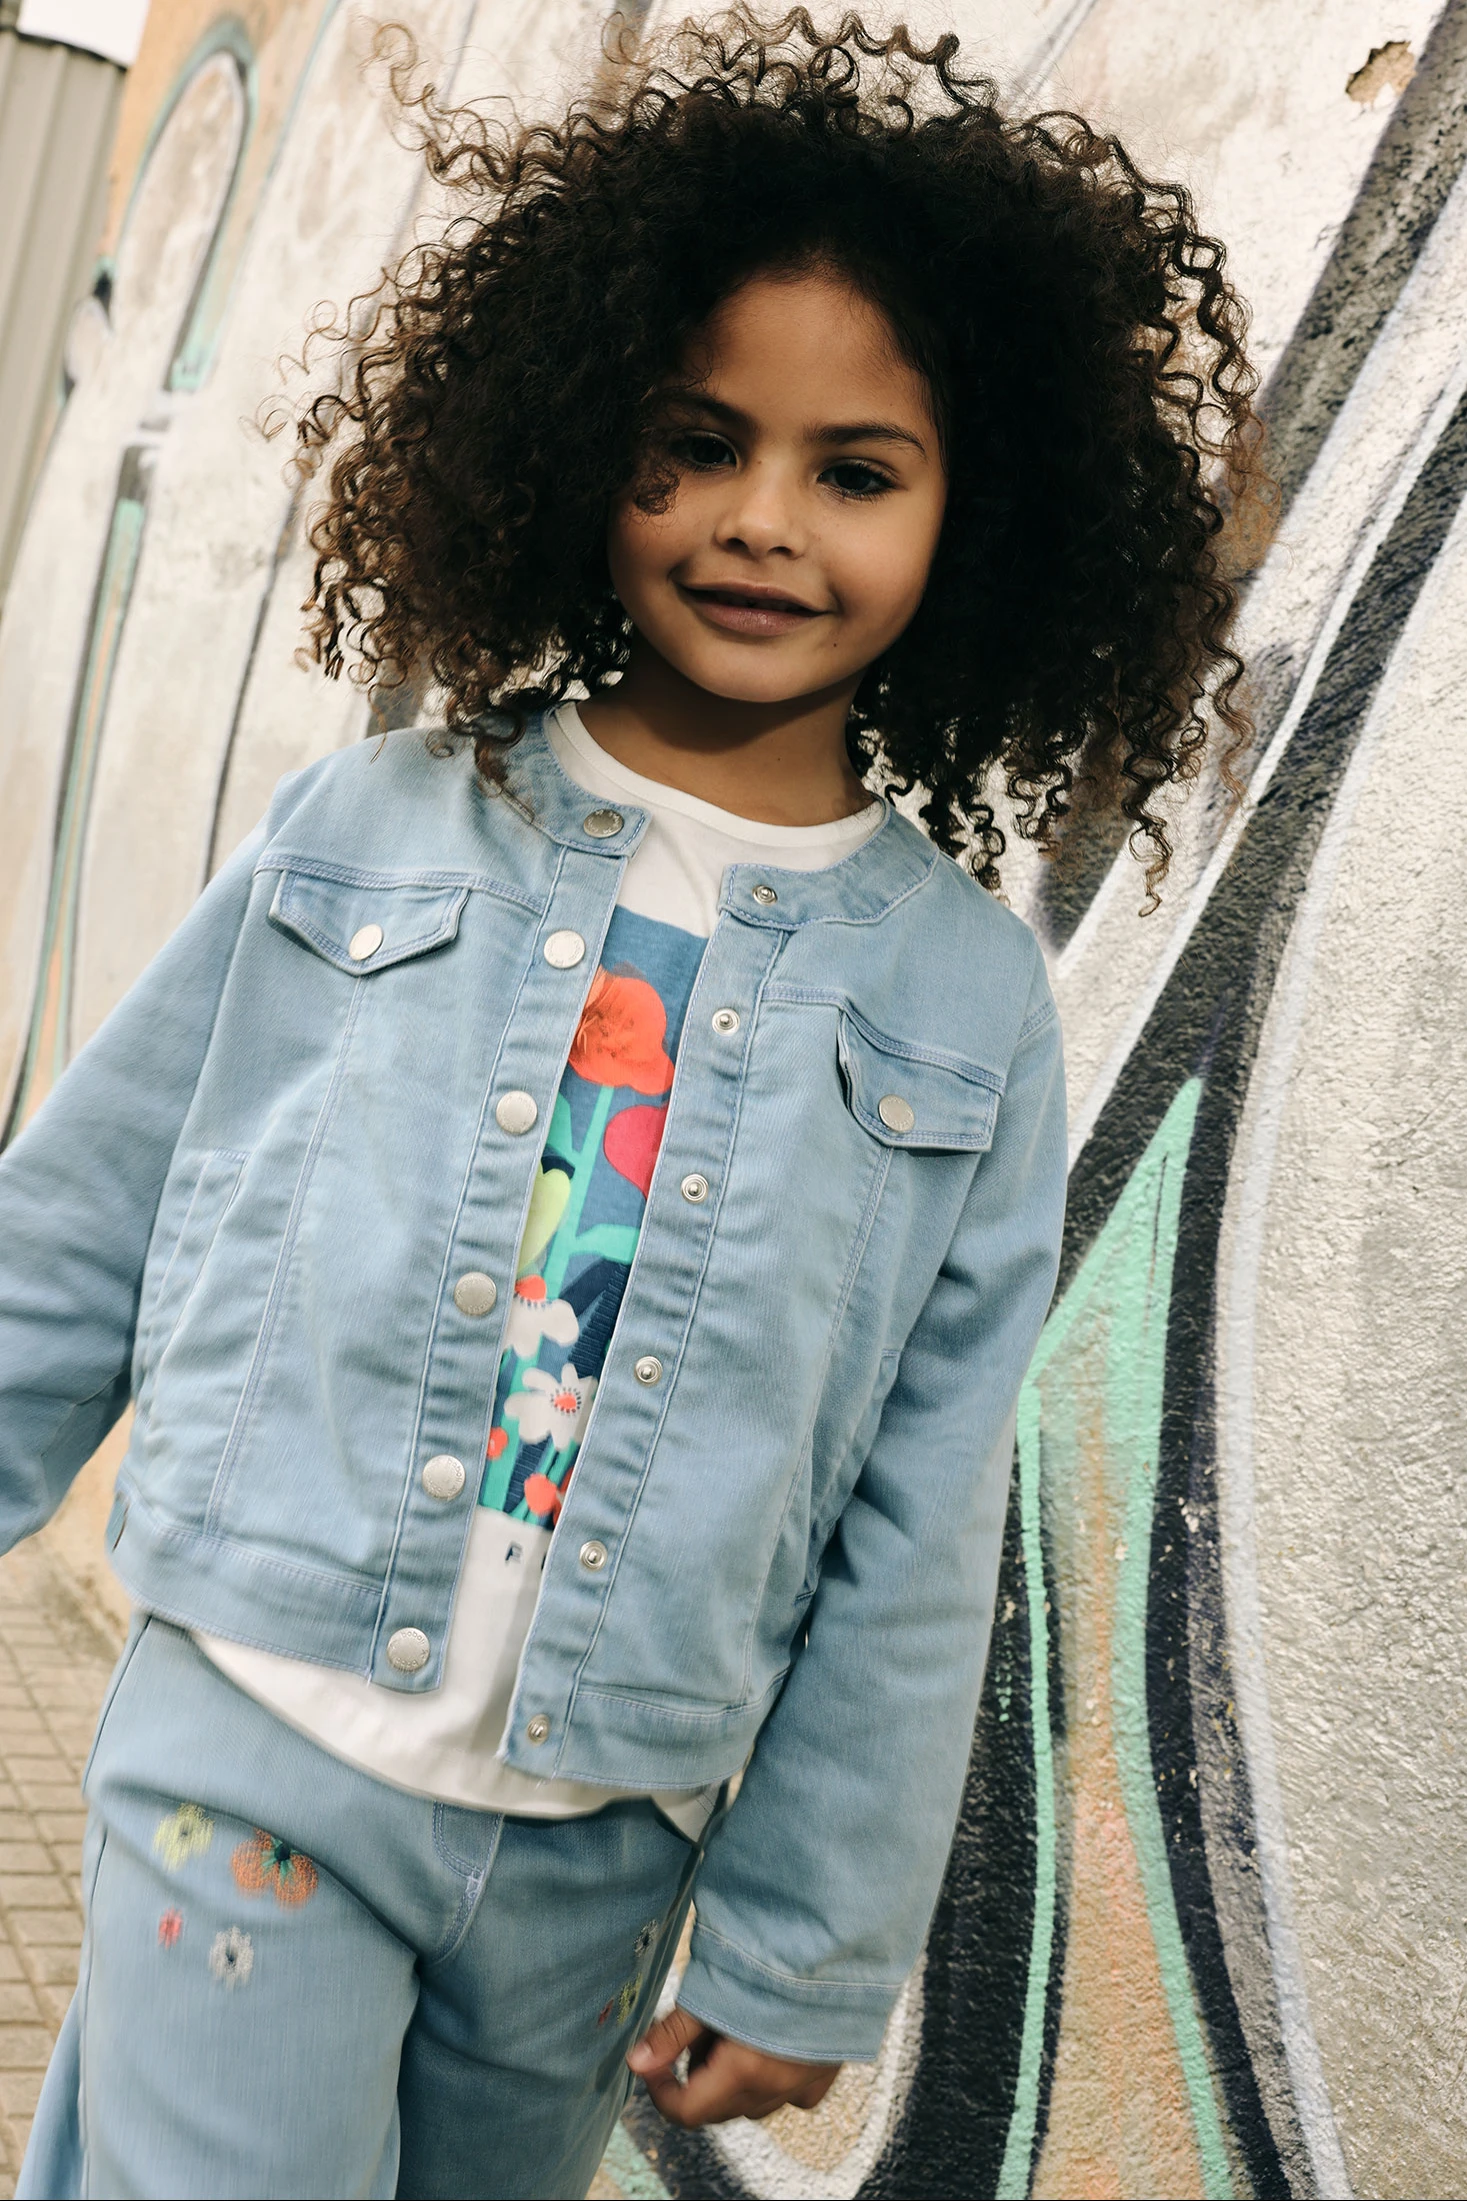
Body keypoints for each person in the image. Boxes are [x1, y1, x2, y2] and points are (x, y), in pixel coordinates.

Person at [2, 12, 1258, 2196]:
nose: (762, 521)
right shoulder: (373, 830)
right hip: (255, 1745)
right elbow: (85, 1215)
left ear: (977, 518)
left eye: (854, 470)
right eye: (694, 443)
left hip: (597, 1856)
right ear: (578, 442)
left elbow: (919, 1510)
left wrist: (804, 1939)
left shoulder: (961, 1001)